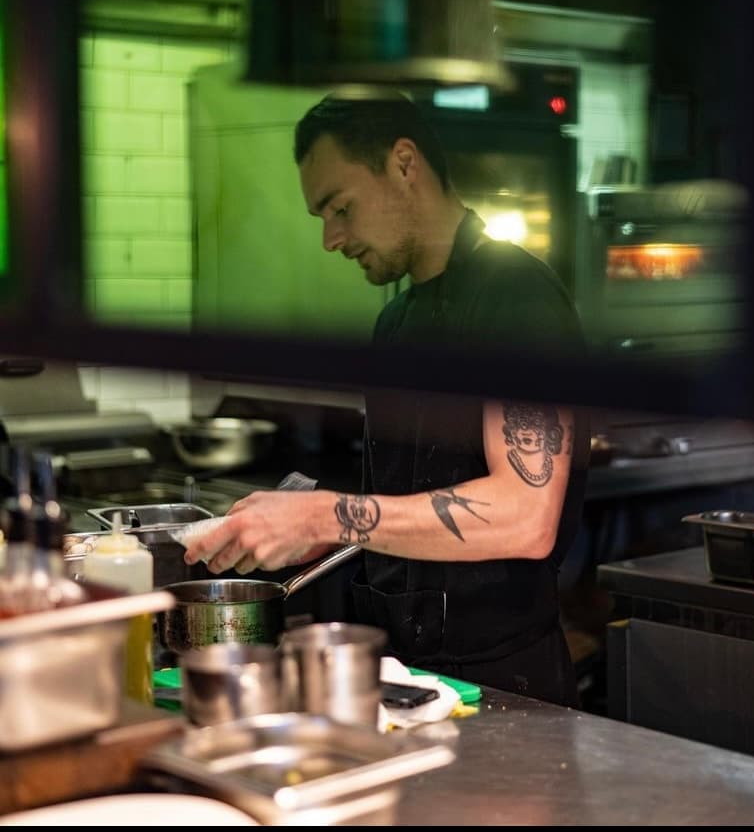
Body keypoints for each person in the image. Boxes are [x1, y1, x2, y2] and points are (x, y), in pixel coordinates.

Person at [184, 88, 590, 706]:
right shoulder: (396, 322)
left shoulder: (516, 299)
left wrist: (326, 516)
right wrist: (313, 526)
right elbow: (418, 505)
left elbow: (525, 515)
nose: (330, 238)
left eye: (341, 207)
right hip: (407, 678)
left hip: (508, 687)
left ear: (404, 164)